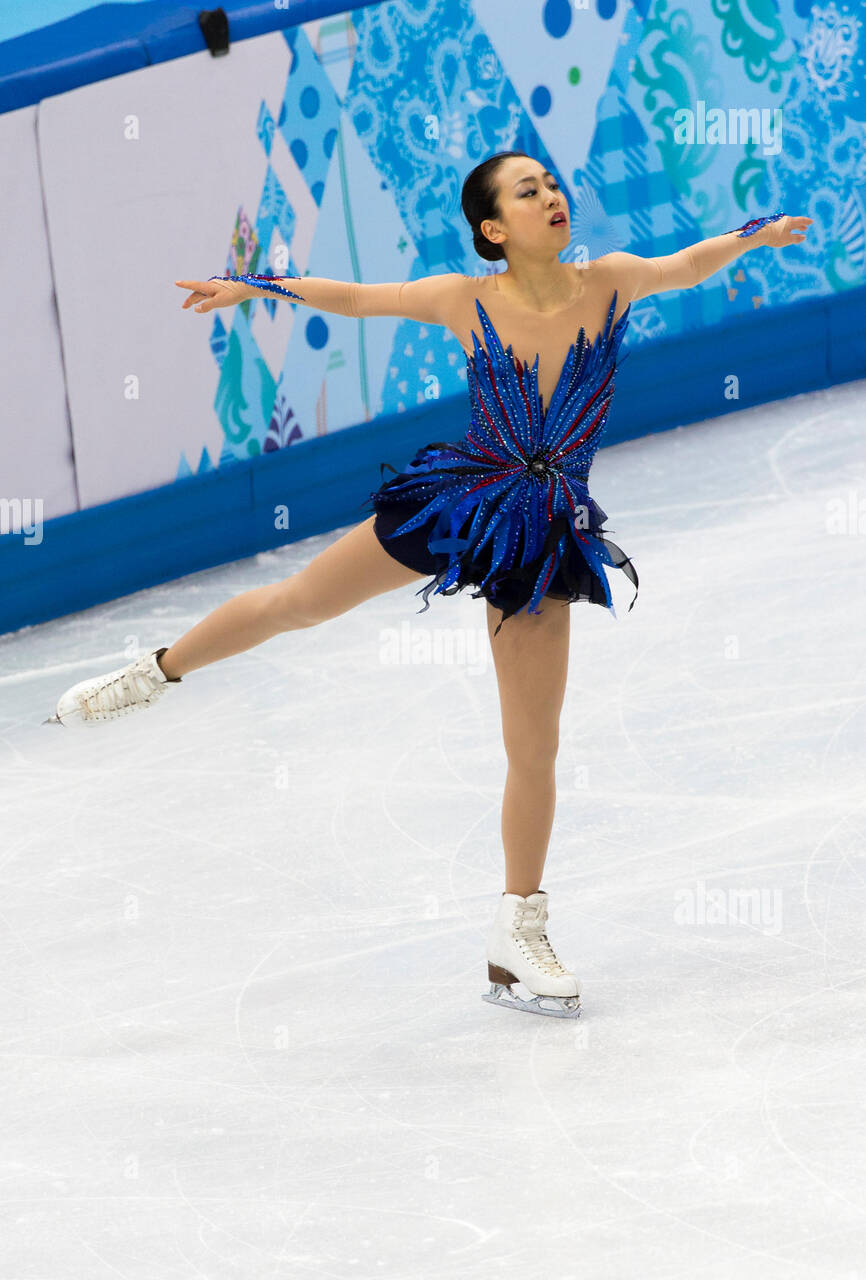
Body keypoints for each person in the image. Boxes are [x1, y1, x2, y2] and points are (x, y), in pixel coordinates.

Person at [45, 150, 811, 1016]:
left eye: (551, 185)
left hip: (541, 536)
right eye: (528, 191)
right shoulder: (464, 298)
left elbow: (690, 262)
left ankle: (517, 931)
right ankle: (153, 672)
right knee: (300, 602)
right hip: (461, 499)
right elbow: (355, 298)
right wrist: (253, 286)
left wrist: (756, 234)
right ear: (494, 228)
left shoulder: (611, 281)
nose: (551, 197)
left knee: (534, 746)